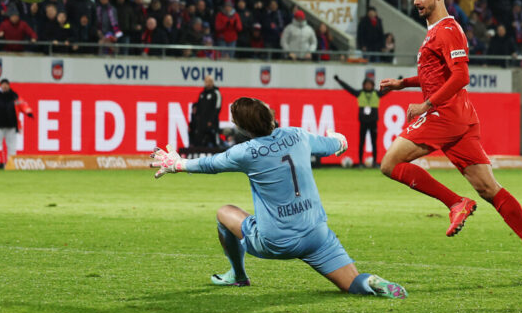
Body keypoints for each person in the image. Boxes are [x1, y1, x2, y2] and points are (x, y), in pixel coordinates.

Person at [378, 0, 522, 283]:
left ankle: (455, 202)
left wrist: (426, 105)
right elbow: (438, 74)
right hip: (460, 118)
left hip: (445, 115)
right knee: (489, 188)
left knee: (389, 164)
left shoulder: (447, 30)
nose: (416, 1)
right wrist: (402, 83)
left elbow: (460, 77)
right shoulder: (435, 32)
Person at [149, 96, 406, 298]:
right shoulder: (297, 135)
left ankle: (238, 275)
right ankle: (370, 282)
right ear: (271, 116)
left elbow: (209, 164)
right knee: (352, 283)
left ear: (240, 127)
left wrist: (177, 164)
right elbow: (338, 145)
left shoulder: (245, 152)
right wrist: (337, 139)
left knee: (224, 212)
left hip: (276, 241)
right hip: (316, 235)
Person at [334, 75, 392, 166]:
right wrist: (339, 81)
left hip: (373, 122)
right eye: (366, 84)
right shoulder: (360, 93)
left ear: (372, 85)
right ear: (363, 85)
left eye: (370, 84)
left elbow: (387, 90)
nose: (368, 86)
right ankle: (360, 162)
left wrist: (398, 81)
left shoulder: (376, 94)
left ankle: (374, 162)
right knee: (361, 142)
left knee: (374, 143)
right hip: (363, 122)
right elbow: (349, 88)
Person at [0, 78, 33, 167]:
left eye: (6, 84)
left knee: (12, 146)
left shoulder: (14, 96)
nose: (5, 86)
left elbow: (22, 104)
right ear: (0, 85)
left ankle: (11, 163)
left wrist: (28, 112)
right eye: (3, 84)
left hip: (11, 125)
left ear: (9, 85)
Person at [188, 75, 222, 151]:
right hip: (201, 124)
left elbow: (217, 108)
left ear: (212, 82)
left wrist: (211, 121)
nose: (208, 83)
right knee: (200, 143)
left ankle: (218, 156)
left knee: (215, 142)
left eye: (209, 82)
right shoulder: (202, 94)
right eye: (206, 81)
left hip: (212, 123)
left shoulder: (216, 93)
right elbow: (199, 108)